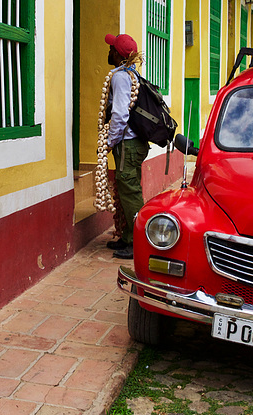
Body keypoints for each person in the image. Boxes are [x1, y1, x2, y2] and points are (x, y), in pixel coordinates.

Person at [104, 33, 149, 259]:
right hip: (134, 144)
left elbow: (120, 114)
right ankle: (128, 237)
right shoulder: (132, 74)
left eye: (111, 48)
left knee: (130, 193)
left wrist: (110, 142)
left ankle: (138, 243)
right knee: (125, 191)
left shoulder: (120, 77)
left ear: (118, 54)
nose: (108, 51)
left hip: (127, 144)